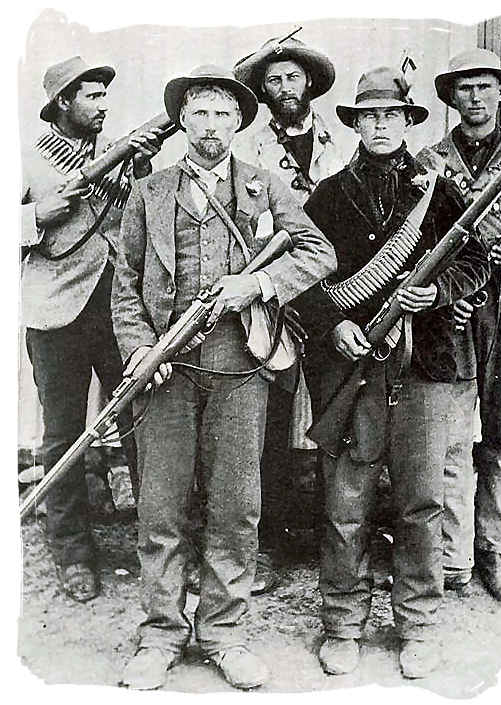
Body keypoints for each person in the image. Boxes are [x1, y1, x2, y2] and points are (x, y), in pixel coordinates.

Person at [113, 65, 336, 691]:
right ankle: (160, 633)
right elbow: (126, 284)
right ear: (183, 121)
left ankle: (223, 633)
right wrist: (137, 351)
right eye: (199, 113)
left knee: (237, 509)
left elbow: (319, 253)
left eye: (222, 114)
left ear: (240, 122)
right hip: (167, 373)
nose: (210, 126)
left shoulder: (267, 187)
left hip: (241, 370)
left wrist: (257, 284)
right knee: (160, 508)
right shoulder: (149, 191)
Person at [296, 66, 490, 679]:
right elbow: (302, 281)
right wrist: (335, 327)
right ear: (355, 124)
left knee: (421, 502)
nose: (381, 125)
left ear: (408, 122)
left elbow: (477, 264)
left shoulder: (442, 190)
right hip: (353, 371)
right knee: (346, 501)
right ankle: (342, 622)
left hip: (428, 367)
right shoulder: (327, 195)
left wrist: (435, 298)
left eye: (391, 116)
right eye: (369, 116)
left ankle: (420, 624)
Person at [21, 56, 162, 603]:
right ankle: (72, 553)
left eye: (105, 96)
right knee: (62, 437)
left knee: (141, 426)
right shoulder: (27, 159)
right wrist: (37, 216)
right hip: (56, 311)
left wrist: (142, 171)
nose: (103, 106)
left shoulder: (117, 156)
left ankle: (159, 546)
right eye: (91, 97)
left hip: (117, 307)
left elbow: (136, 218)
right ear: (63, 103)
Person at [417, 49, 501, 604]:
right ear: (451, 98)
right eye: (464, 89)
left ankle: (496, 552)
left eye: (485, 87)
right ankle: (453, 557)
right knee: (451, 443)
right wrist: (443, 300)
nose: (475, 98)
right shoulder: (429, 161)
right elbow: (415, 244)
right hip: (454, 318)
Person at [233, 34, 344, 552]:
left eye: (292, 78)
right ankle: (272, 534)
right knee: (273, 420)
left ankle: (332, 533)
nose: (284, 88)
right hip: (272, 296)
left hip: (334, 296)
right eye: (273, 80)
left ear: (310, 84)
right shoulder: (246, 148)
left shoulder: (339, 145)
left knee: (334, 408)